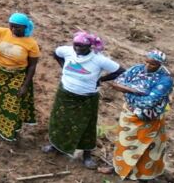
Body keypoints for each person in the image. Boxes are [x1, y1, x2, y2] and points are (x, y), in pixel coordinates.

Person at [46, 32, 121, 167]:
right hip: (65, 95)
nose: (78, 49)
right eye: (76, 45)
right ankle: (56, 145)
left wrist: (100, 79)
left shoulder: (99, 60)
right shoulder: (67, 51)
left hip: (86, 99)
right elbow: (56, 53)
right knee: (60, 120)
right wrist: (63, 67)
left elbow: (120, 71)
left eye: (82, 46)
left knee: (86, 126)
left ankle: (87, 155)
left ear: (90, 46)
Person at [103, 49, 173, 183]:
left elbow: (149, 102)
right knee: (123, 143)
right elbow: (117, 83)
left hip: (149, 118)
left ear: (160, 65)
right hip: (128, 115)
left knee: (149, 147)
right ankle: (119, 168)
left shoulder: (165, 80)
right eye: (146, 61)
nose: (147, 65)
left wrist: (128, 91)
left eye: (152, 64)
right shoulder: (136, 69)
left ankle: (148, 178)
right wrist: (136, 91)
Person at [0, 13, 40, 142]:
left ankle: (10, 131)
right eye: (11, 26)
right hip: (0, 74)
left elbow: (32, 67)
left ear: (25, 27)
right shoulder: (2, 32)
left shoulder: (31, 44)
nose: (13, 30)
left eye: (18, 28)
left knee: (13, 104)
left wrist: (25, 85)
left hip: (17, 76)